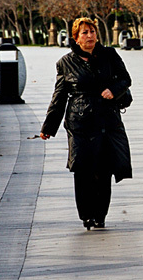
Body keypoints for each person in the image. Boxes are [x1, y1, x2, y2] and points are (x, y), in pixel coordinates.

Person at [40, 17, 132, 230]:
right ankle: (86, 215)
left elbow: (126, 79)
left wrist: (114, 90)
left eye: (92, 31)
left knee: (104, 169)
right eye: (84, 33)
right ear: (76, 38)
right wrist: (48, 127)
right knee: (83, 169)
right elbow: (60, 96)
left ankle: (100, 215)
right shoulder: (66, 63)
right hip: (79, 122)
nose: (89, 36)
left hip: (107, 120)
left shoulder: (109, 55)